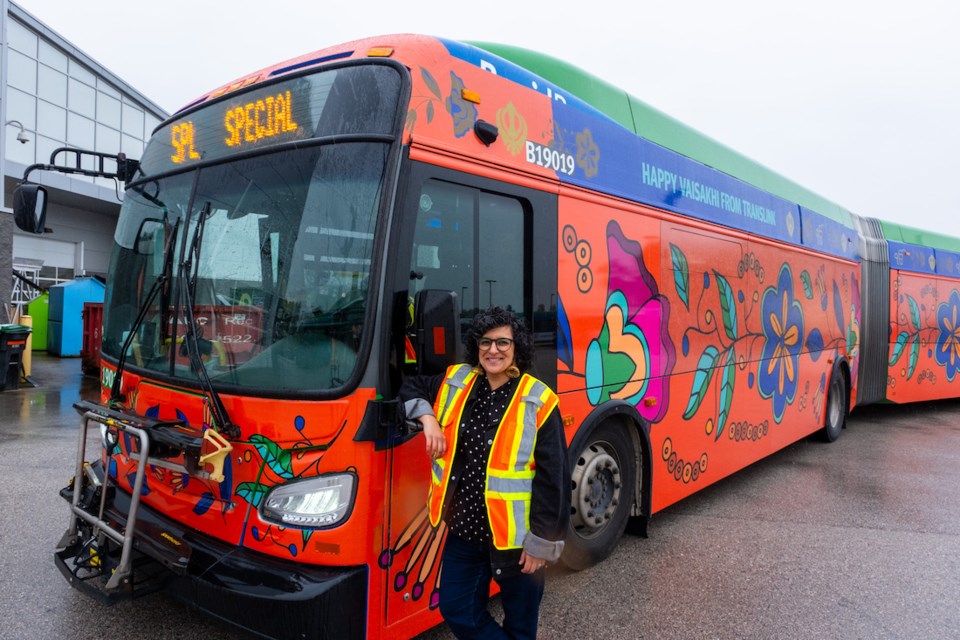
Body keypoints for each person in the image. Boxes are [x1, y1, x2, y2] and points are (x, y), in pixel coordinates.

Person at [400, 307, 570, 640]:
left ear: (517, 346)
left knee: (521, 624)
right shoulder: (458, 380)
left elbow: (554, 478)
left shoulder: (538, 399)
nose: (493, 350)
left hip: (516, 539)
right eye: (486, 342)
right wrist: (428, 419)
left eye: (503, 342)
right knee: (457, 608)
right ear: (476, 347)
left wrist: (540, 543)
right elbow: (411, 386)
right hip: (465, 532)